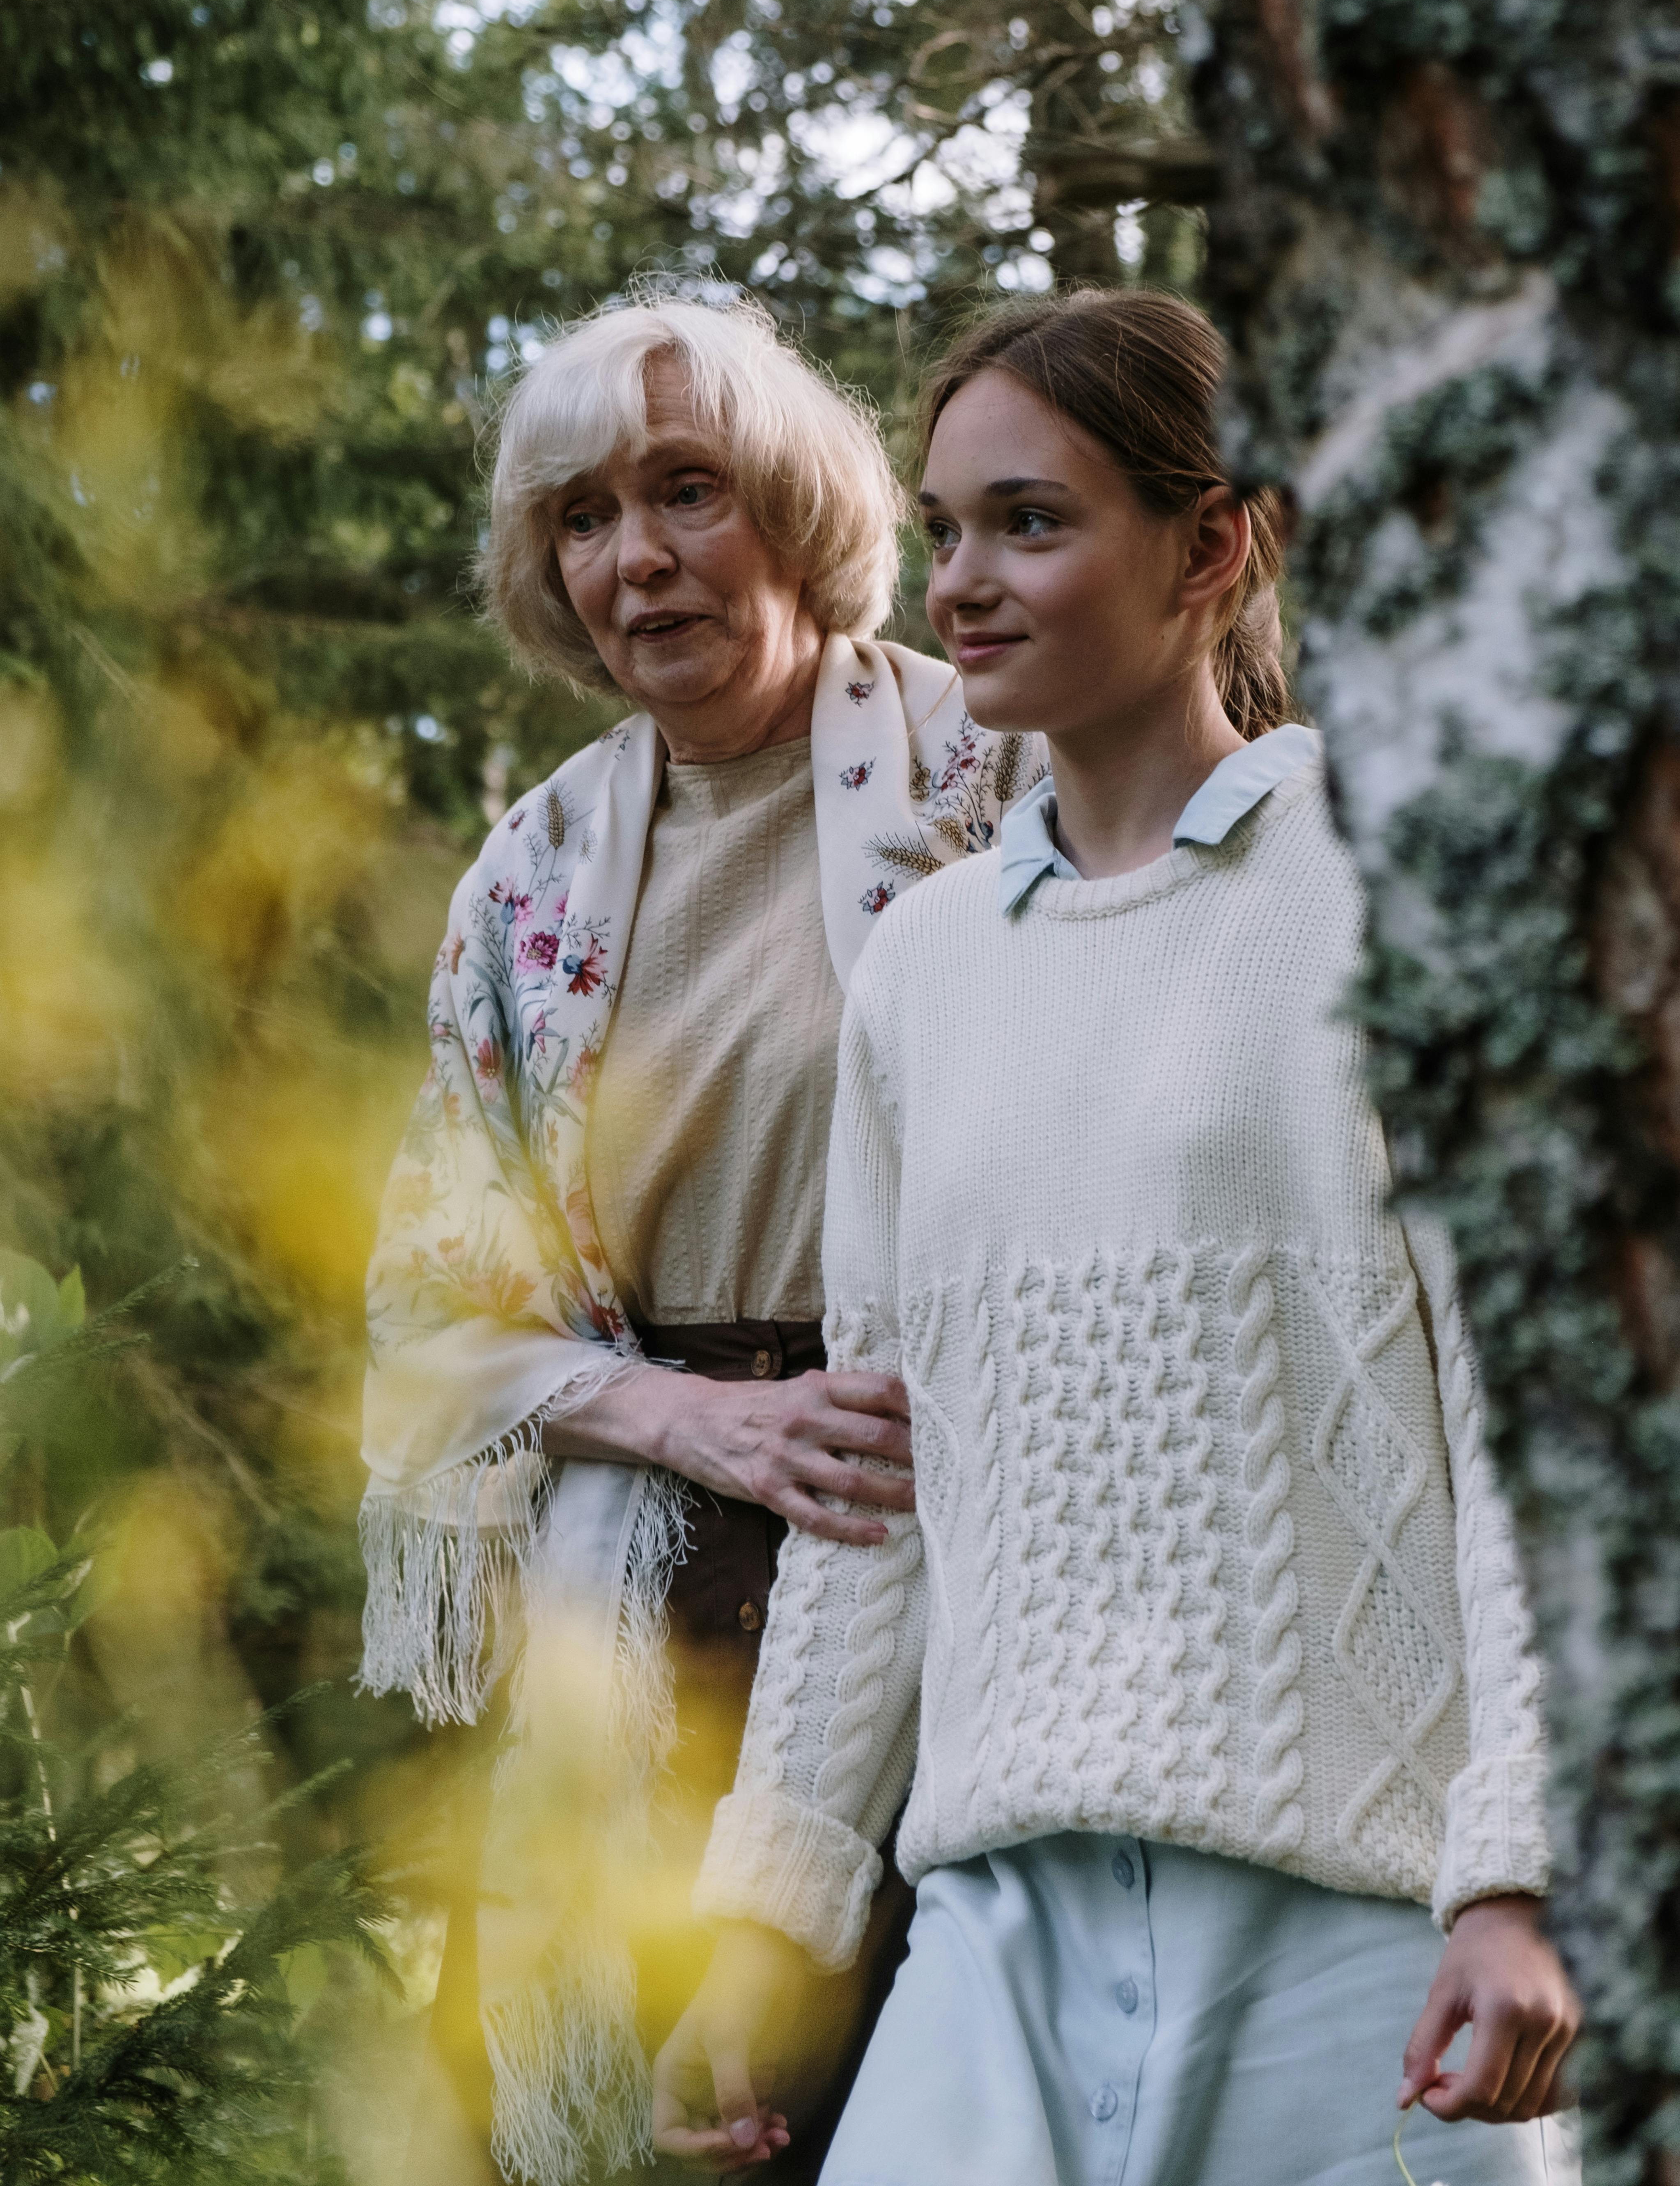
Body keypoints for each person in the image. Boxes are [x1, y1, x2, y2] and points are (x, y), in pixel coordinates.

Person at [653, 289, 1582, 2186]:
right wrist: (774, 1904)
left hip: (1359, 1942)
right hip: (994, 1928)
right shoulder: (917, 970)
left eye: (1035, 520)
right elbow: (873, 1480)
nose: (966, 581)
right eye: (947, 528)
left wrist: (1525, 1870)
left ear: (1213, 542)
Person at [357, 289, 1044, 2185]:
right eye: (581, 516)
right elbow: (437, 1303)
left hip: (952, 1558)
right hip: (643, 1602)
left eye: (686, 491)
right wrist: (699, 1422)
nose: (633, 554)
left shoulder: (992, 769)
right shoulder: (530, 868)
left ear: (798, 509)